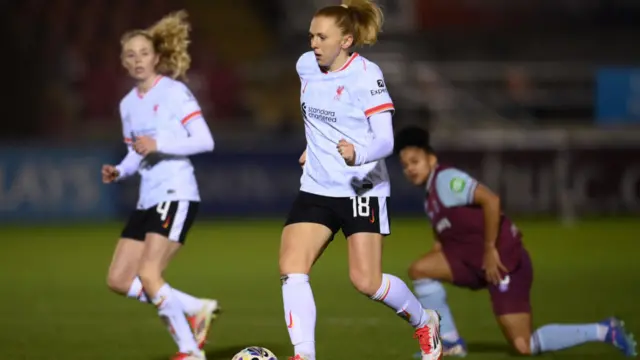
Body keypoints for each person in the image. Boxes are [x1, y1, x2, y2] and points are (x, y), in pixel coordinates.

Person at [279, 1, 443, 360]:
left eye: (323, 37)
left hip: (361, 189)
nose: (314, 44)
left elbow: (384, 139)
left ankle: (424, 320)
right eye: (311, 36)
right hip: (317, 186)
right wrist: (313, 146)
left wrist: (358, 153)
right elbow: (319, 118)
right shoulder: (306, 66)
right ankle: (304, 354)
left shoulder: (367, 75)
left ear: (347, 41)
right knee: (292, 267)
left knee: (366, 282)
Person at [393, 126, 637, 358]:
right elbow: (443, 238)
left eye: (415, 162)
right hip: (472, 262)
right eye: (405, 166)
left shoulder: (446, 179)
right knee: (421, 270)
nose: (410, 169)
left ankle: (605, 331)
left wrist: (490, 250)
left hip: (503, 261)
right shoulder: (430, 196)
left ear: (431, 159)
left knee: (523, 346)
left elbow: (491, 200)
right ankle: (450, 343)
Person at [101, 10, 219, 360]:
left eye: (144, 53)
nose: (138, 60)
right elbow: (135, 153)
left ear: (156, 57)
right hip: (147, 199)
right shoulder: (127, 105)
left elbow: (204, 140)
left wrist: (159, 143)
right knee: (120, 280)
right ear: (123, 62)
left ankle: (189, 351)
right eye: (130, 54)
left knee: (149, 273)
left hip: (176, 193)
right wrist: (120, 171)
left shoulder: (174, 92)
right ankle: (198, 307)